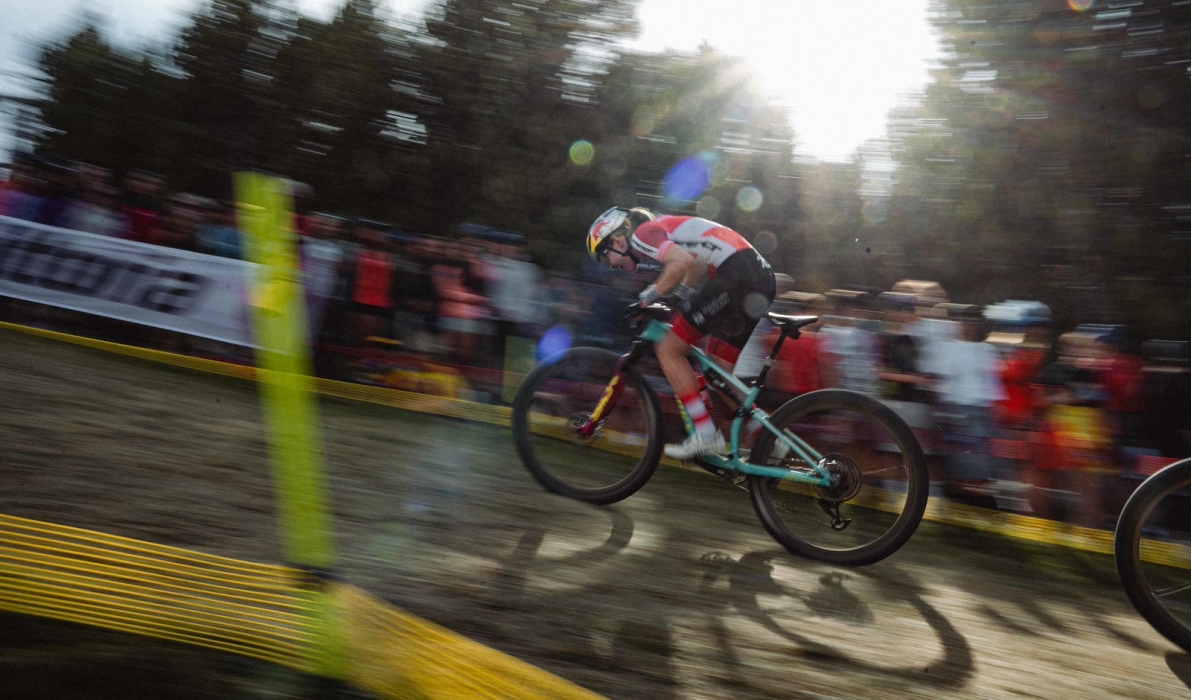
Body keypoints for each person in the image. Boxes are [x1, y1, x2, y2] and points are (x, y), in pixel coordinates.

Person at [587, 206, 775, 459]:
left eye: (604, 256)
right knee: (717, 372)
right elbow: (695, 265)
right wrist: (679, 298)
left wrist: (646, 298)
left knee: (668, 348)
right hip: (757, 278)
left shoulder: (643, 234)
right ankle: (770, 438)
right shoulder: (665, 227)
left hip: (738, 275)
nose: (609, 266)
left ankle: (705, 433)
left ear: (618, 241)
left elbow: (681, 263)